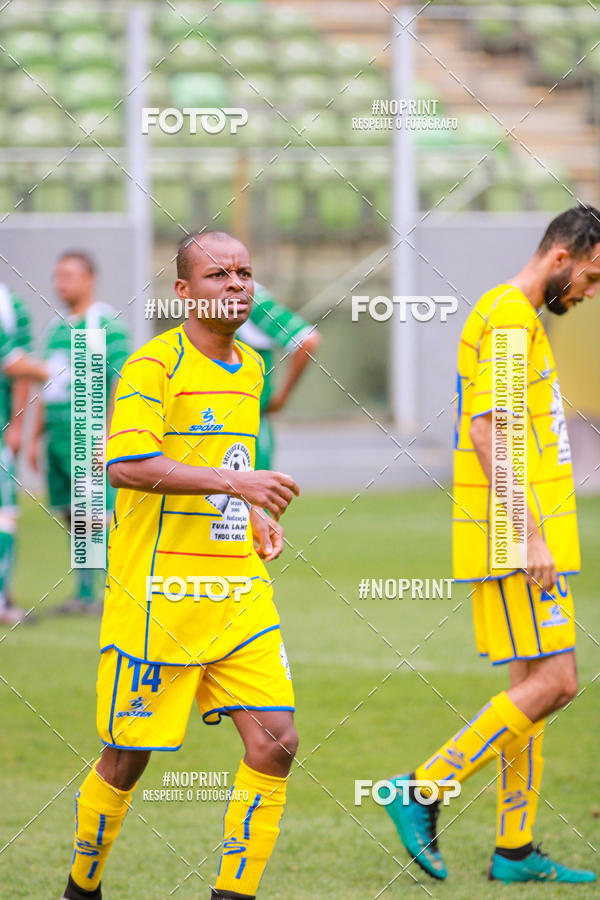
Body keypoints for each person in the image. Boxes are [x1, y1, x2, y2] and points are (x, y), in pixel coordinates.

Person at [60, 231, 300, 900]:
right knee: (126, 757)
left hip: (234, 588)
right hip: (156, 598)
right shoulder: (151, 368)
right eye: (219, 274)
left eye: (245, 272)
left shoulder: (251, 369)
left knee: (276, 742)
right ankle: (83, 887)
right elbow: (127, 466)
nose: (237, 284)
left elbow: (230, 462)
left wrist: (254, 512)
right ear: (184, 292)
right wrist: (238, 488)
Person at [382, 206, 598, 884]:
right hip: (515, 536)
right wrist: (530, 533)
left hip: (526, 533)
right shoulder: (508, 313)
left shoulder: (520, 319)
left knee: (531, 689)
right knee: (558, 683)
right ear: (564, 256)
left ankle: (514, 849)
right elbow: (486, 429)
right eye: (593, 276)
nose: (591, 293)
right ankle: (421, 788)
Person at [29, 251, 131, 613]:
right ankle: (86, 591)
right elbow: (47, 385)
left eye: (69, 276)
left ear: (90, 279)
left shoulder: (106, 324)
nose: (61, 284)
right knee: (71, 512)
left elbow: (122, 381)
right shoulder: (55, 327)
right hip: (56, 436)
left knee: (95, 513)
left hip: (86, 431)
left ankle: (103, 593)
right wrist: (34, 434)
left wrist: (109, 433)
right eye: (57, 277)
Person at [236, 283, 320, 469]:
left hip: (249, 429)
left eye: (244, 271)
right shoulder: (203, 300)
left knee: (250, 494)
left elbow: (307, 340)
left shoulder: (249, 298)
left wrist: (282, 397)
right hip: (208, 424)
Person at [0, 282, 33, 624]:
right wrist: (53, 373)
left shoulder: (11, 303)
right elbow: (16, 364)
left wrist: (19, 423)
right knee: (5, 513)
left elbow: (16, 363)